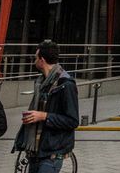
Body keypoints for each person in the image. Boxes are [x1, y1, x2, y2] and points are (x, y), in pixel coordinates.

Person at [13, 41, 79, 172]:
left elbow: (72, 121)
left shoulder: (66, 84)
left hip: (52, 152)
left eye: (35, 58)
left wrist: (43, 116)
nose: (34, 61)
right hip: (36, 151)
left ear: (42, 60)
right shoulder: (41, 83)